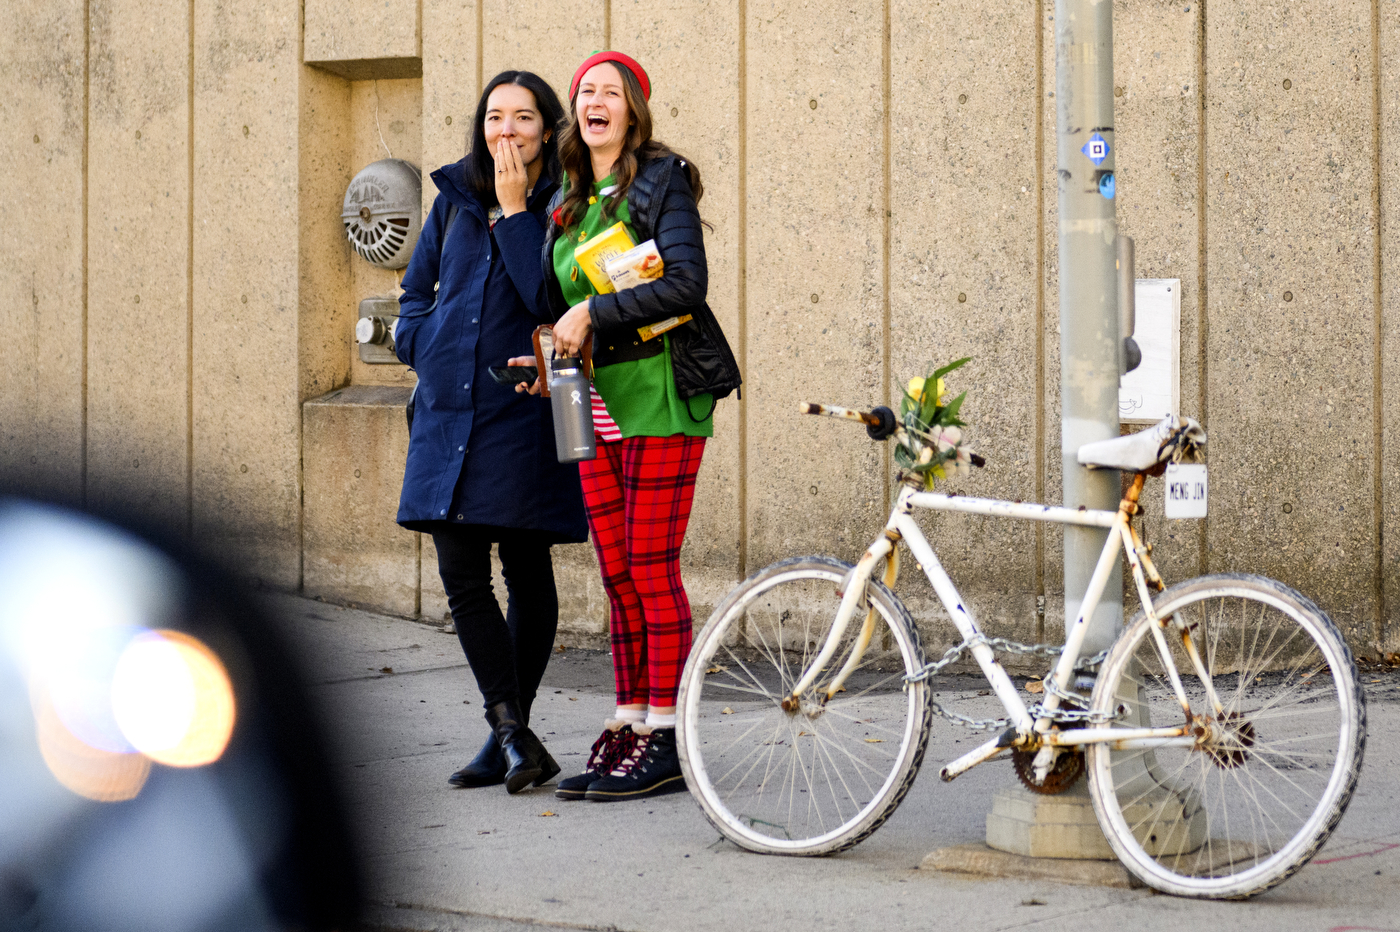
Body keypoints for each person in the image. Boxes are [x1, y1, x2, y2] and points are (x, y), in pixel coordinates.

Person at [532, 51, 741, 802]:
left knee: (652, 568)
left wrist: (593, 312)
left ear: (633, 110)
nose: (594, 101)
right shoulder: (569, 197)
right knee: (616, 571)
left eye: (609, 93)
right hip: (589, 398)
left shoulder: (662, 179)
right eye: (585, 91)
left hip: (659, 392)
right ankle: (629, 718)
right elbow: (554, 296)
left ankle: (669, 734)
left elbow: (687, 283)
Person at [393, 71, 586, 795]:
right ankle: (511, 731)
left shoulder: (568, 203)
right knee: (460, 573)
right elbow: (416, 293)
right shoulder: (451, 202)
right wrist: (423, 341)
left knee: (526, 570)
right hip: (449, 406)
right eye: (495, 116)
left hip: (531, 405)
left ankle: (508, 733)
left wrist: (514, 213)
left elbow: (553, 299)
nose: (506, 130)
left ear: (547, 129)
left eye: (524, 117)